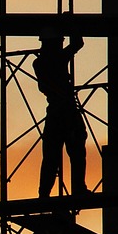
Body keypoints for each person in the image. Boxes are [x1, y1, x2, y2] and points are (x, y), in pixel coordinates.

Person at [33, 34, 87, 198]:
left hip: (57, 113)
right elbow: (78, 42)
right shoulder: (56, 58)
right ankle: (76, 189)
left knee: (52, 156)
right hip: (65, 112)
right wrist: (71, 24)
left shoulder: (40, 62)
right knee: (74, 151)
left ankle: (44, 194)